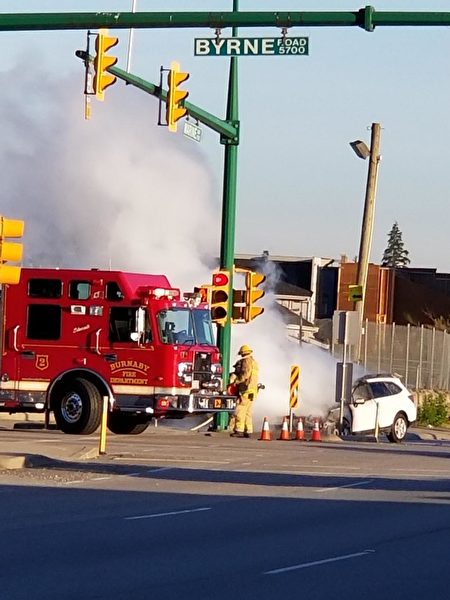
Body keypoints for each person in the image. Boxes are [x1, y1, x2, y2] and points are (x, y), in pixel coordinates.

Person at [229, 344, 259, 438]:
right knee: (248, 412)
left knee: (240, 410)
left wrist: (236, 382)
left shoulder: (246, 361)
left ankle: (239, 430)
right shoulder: (254, 362)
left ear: (242, 353)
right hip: (253, 390)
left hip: (245, 390)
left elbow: (245, 375)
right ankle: (248, 430)